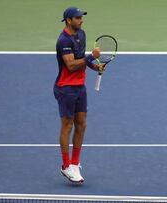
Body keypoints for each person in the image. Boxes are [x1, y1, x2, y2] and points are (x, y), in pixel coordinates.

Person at [54, 7, 104, 183]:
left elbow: (81, 58)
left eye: (81, 17)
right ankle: (66, 165)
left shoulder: (81, 34)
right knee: (67, 126)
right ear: (68, 20)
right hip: (65, 88)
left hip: (79, 87)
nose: (81, 20)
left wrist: (94, 66)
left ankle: (75, 163)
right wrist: (91, 57)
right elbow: (71, 65)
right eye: (77, 17)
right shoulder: (63, 41)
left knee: (81, 125)